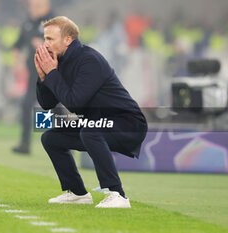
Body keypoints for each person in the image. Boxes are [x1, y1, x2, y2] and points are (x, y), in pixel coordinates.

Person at [35, 16, 147, 208]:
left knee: (91, 131)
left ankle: (117, 195)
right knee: (51, 138)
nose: (45, 45)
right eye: (45, 39)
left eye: (50, 39)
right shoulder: (59, 62)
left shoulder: (89, 60)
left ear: (68, 39)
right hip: (97, 123)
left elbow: (75, 103)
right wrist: (43, 77)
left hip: (128, 123)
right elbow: (47, 104)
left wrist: (52, 74)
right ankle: (77, 193)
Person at [11, 0, 54, 155]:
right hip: (34, 73)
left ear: (47, 7)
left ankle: (67, 142)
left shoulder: (55, 23)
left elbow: (63, 45)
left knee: (55, 107)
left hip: (51, 72)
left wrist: (45, 44)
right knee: (26, 104)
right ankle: (25, 144)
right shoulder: (28, 23)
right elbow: (18, 45)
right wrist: (16, 62)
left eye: (38, 6)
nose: (33, 9)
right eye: (32, 6)